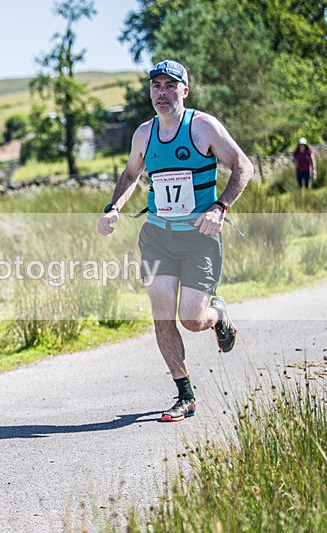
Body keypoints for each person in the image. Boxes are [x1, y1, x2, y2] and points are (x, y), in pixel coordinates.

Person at [97, 60, 254, 422]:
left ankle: (218, 315)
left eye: (170, 86)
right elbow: (131, 173)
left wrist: (219, 206)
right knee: (162, 316)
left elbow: (243, 166)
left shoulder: (203, 127)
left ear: (185, 90)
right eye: (156, 86)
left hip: (199, 238)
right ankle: (185, 394)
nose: (162, 93)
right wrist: (113, 207)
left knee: (192, 319)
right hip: (156, 237)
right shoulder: (143, 134)